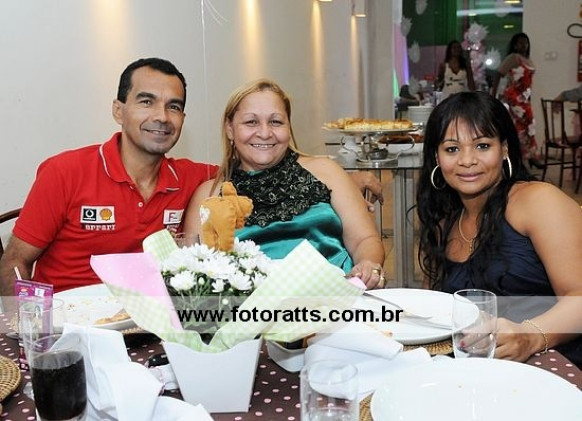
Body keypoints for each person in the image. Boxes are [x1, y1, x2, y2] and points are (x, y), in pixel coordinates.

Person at [0, 58, 384, 300]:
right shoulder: (65, 172)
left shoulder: (189, 179)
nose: (161, 116)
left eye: (174, 106)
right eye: (146, 101)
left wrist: (345, 179)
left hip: (147, 322)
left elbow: (262, 167)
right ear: (119, 110)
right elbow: (15, 260)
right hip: (71, 319)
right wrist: (26, 328)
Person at [416, 91, 582, 367]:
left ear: (504, 149)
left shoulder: (537, 201)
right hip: (478, 368)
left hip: (554, 361)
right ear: (436, 157)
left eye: (482, 146)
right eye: (452, 149)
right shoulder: (443, 223)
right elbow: (437, 309)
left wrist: (528, 337)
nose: (467, 160)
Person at [183, 79, 386, 288]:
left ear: (289, 126)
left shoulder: (327, 172)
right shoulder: (209, 196)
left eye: (276, 122)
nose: (265, 133)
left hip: (336, 298)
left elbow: (364, 239)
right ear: (230, 129)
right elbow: (196, 272)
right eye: (251, 122)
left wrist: (368, 264)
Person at [491, 33, 543, 169]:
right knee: (521, 128)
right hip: (514, 98)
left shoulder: (528, 59)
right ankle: (522, 158)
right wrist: (493, 94)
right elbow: (498, 74)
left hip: (525, 99)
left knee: (529, 126)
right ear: (514, 45)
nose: (523, 45)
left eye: (525, 42)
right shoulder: (513, 58)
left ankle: (529, 156)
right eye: (520, 43)